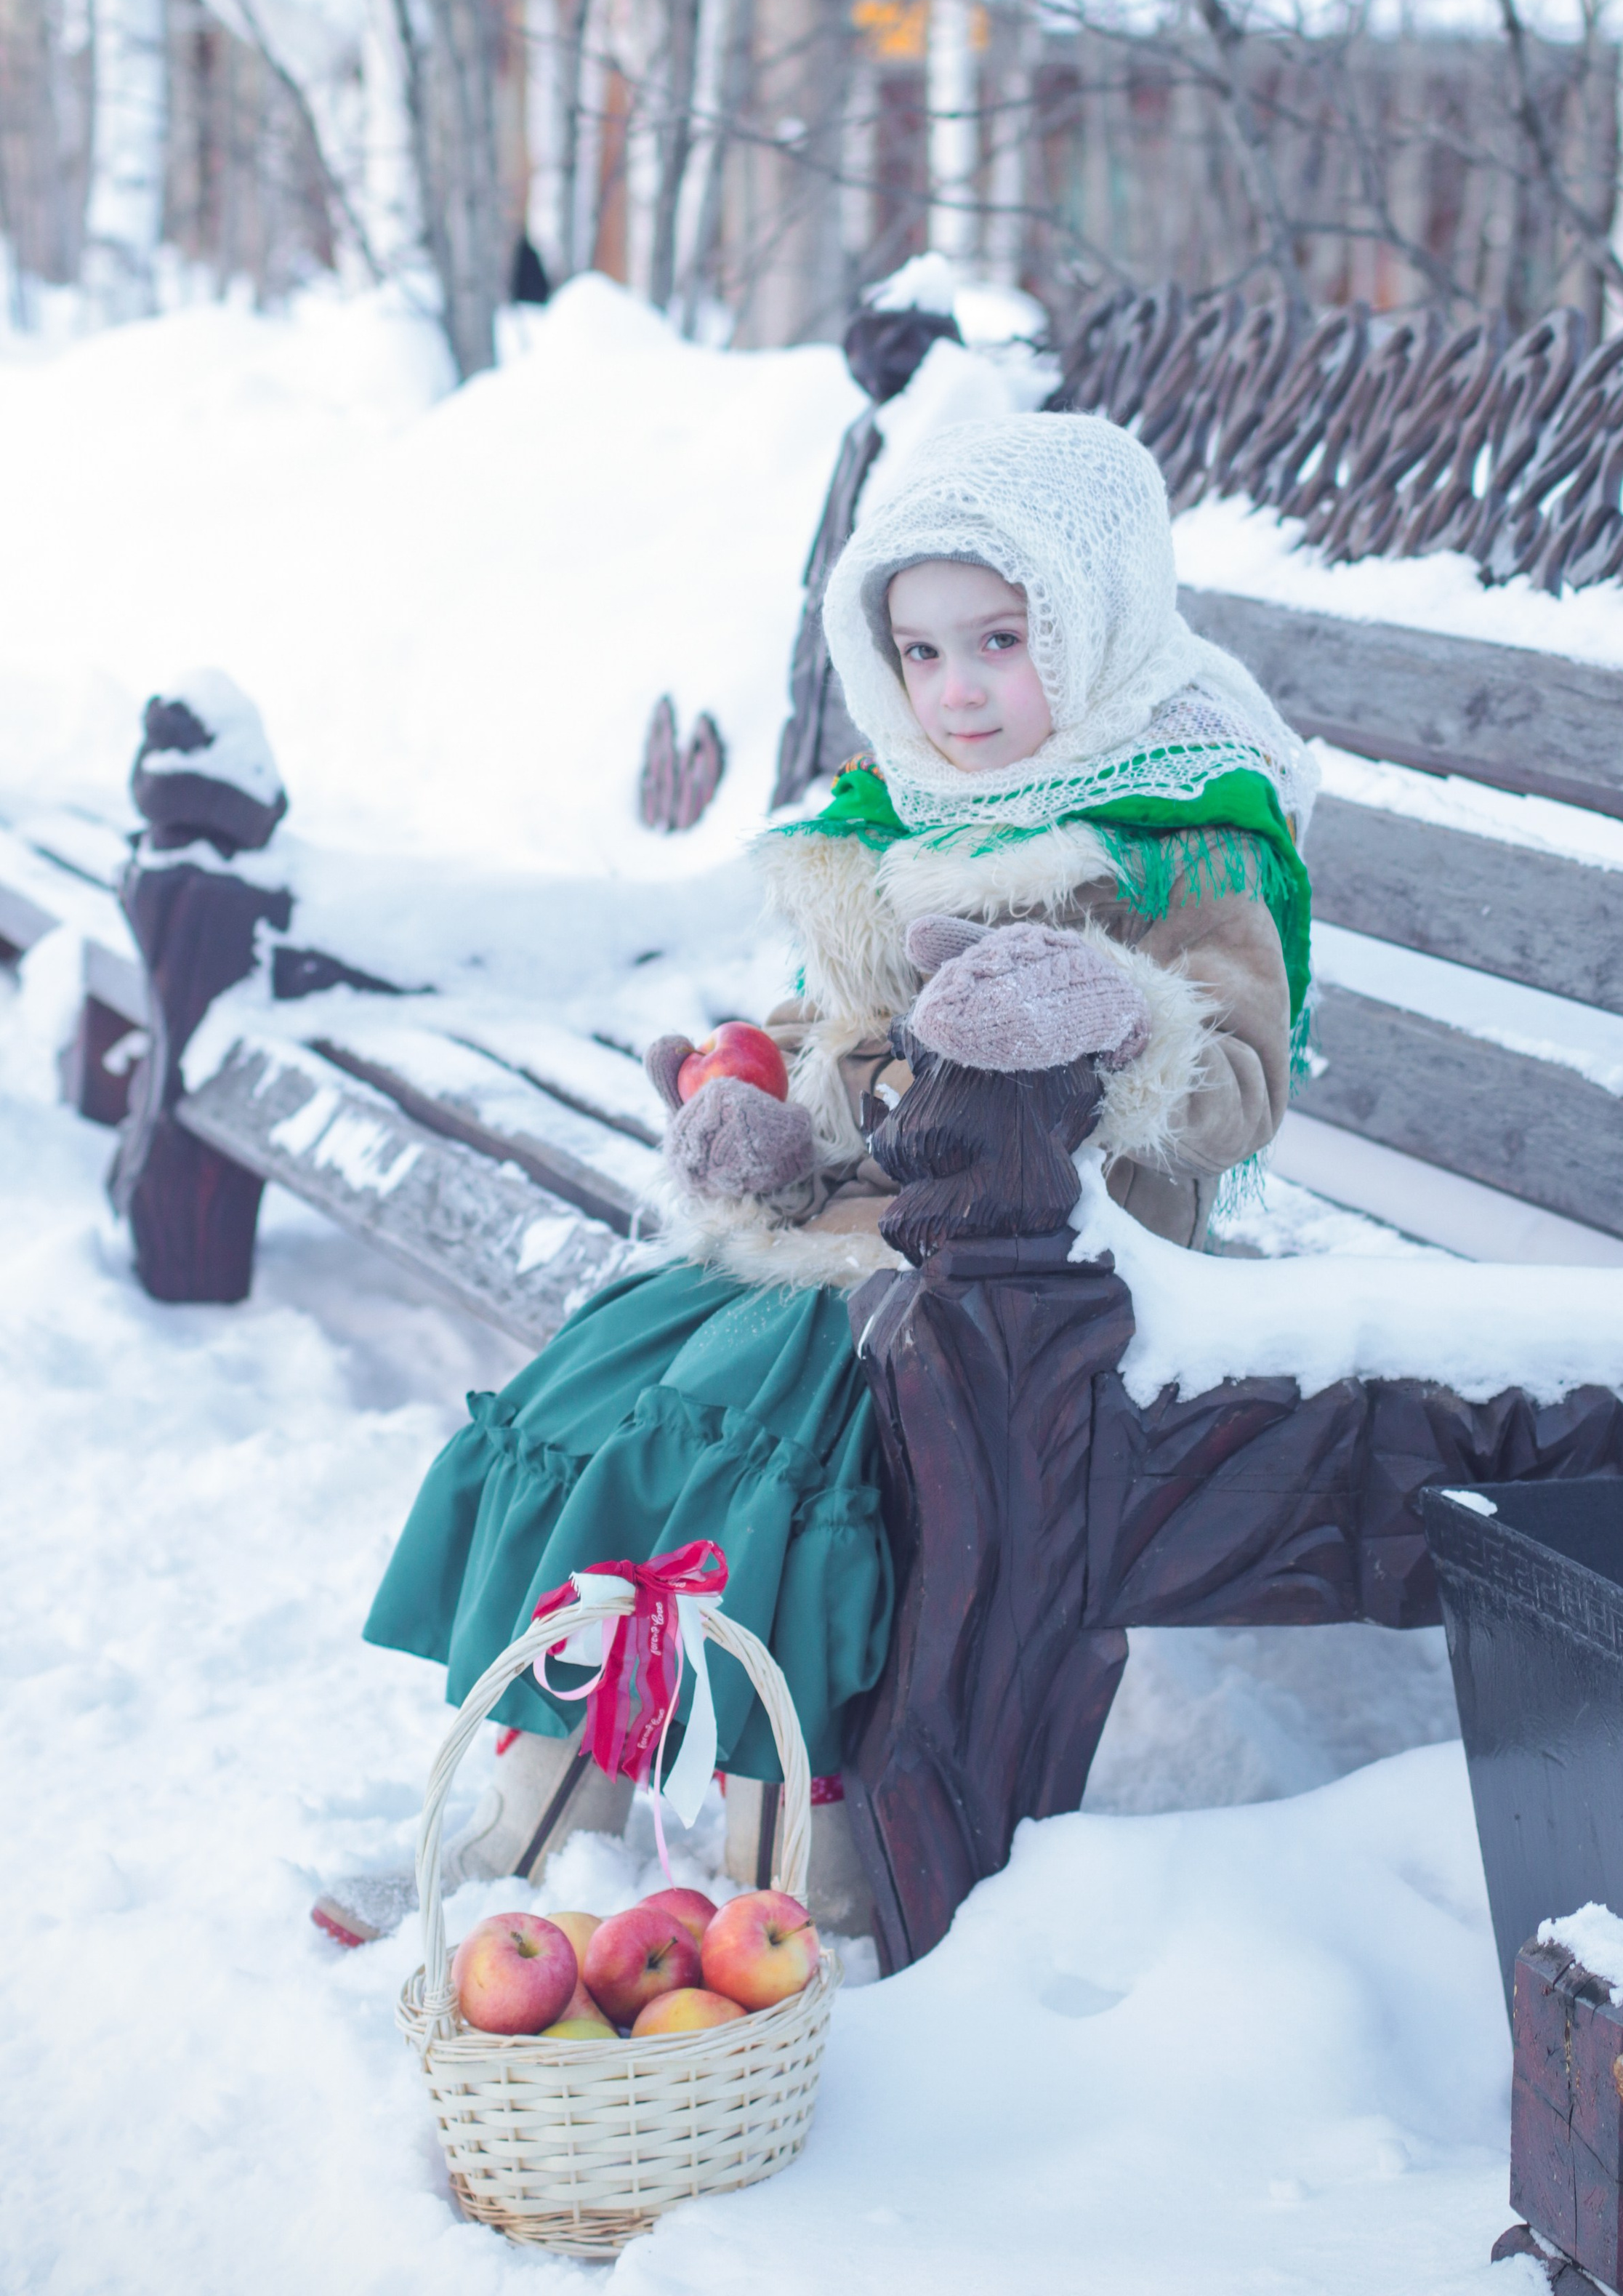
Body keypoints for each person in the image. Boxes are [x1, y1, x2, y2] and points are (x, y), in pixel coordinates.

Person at [336, 412, 1316, 1935]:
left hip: (1051, 1259)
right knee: (618, 1379)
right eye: (918, 653)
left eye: (999, 637)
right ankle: (542, 1817)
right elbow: (838, 1026)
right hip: (877, 1227)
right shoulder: (904, 813)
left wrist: (1116, 1012)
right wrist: (770, 1118)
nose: (956, 689)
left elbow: (1238, 1089)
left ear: (1094, 613)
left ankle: (796, 1877)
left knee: (766, 1427)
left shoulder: (1185, 825)